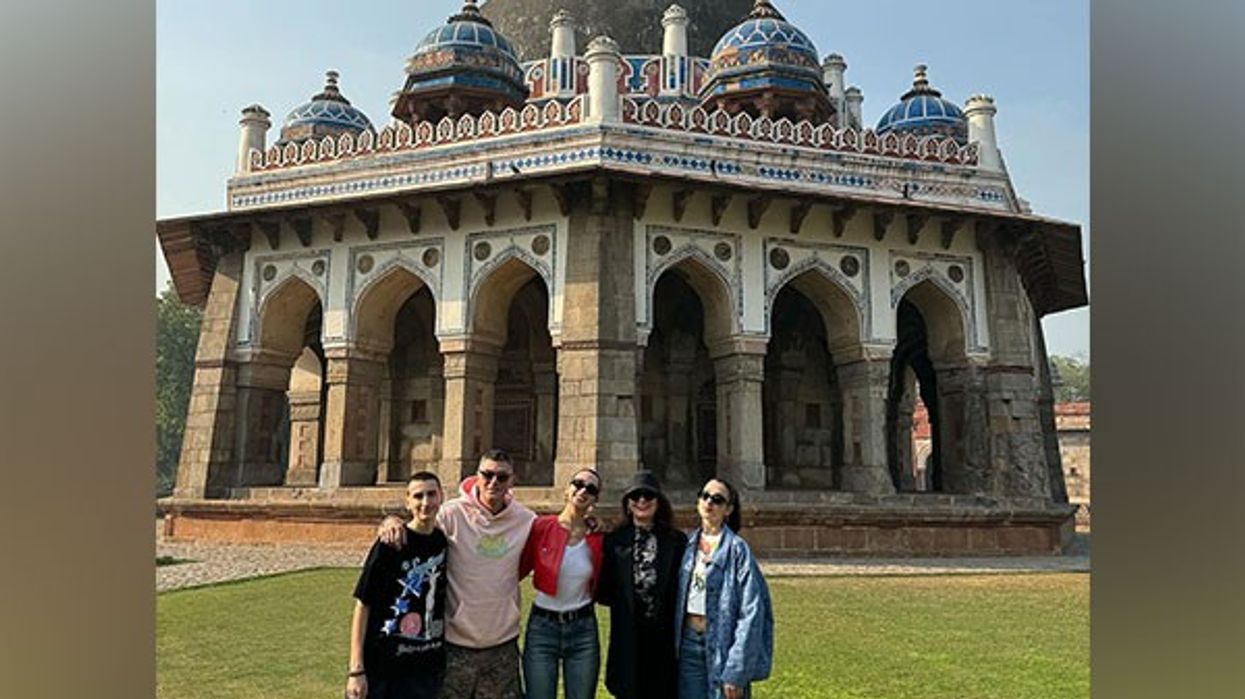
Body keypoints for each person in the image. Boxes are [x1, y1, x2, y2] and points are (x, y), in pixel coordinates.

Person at [378, 449, 535, 699]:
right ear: (477, 475)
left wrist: (592, 525)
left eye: (502, 477)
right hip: (455, 645)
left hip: (502, 645)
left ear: (512, 480)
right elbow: (419, 526)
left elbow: (558, 538)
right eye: (487, 474)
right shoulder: (452, 514)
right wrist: (391, 521)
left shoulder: (525, 521)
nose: (493, 482)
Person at [346, 472, 448, 699]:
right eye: (418, 496)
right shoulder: (390, 544)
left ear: (442, 497)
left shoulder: (442, 543)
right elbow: (363, 606)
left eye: (431, 494)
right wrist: (356, 670)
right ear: (407, 501)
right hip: (383, 667)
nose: (425, 502)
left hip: (424, 669)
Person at [674, 478, 774, 699]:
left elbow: (752, 611)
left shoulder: (738, 550)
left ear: (728, 509)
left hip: (723, 645)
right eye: (705, 495)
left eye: (718, 499)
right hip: (689, 644)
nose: (709, 502)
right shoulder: (687, 546)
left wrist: (737, 670)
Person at [595, 470, 687, 699]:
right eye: (636, 496)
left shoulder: (676, 541)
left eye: (648, 496)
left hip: (663, 640)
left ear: (659, 502)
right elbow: (604, 591)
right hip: (628, 638)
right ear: (627, 504)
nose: (642, 501)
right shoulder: (615, 541)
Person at [518, 468, 605, 699]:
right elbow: (516, 569)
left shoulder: (597, 537)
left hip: (583, 628)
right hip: (543, 627)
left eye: (591, 489)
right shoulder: (541, 527)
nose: (583, 490)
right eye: (578, 483)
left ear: (596, 499)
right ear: (567, 489)